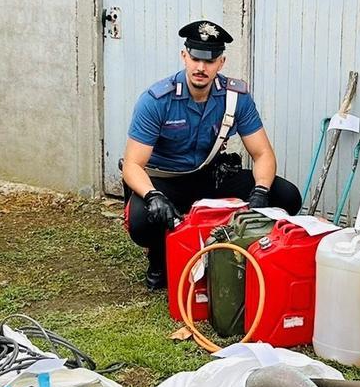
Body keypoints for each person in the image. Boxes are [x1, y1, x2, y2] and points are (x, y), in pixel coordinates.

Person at [122, 20, 302, 289]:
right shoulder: (156, 100)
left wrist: (261, 191)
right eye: (195, 58)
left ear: (221, 62)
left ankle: (245, 252)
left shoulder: (235, 97)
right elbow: (132, 165)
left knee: (286, 195)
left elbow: (263, 153)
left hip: (211, 177)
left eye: (210, 61)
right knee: (141, 220)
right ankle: (160, 259)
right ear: (184, 56)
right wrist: (152, 196)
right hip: (165, 181)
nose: (201, 68)